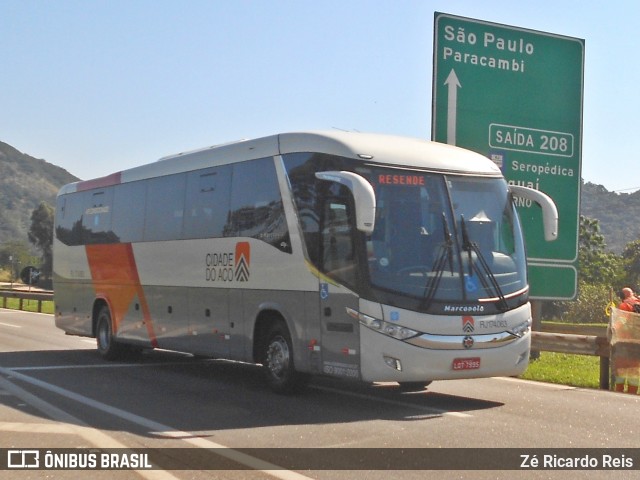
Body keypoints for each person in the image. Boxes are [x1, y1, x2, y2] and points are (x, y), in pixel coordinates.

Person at [612, 287, 640, 394]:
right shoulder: (638, 303)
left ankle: (619, 392)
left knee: (622, 369)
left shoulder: (624, 305)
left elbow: (620, 323)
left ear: (622, 296)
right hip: (638, 343)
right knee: (635, 370)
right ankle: (632, 394)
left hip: (625, 342)